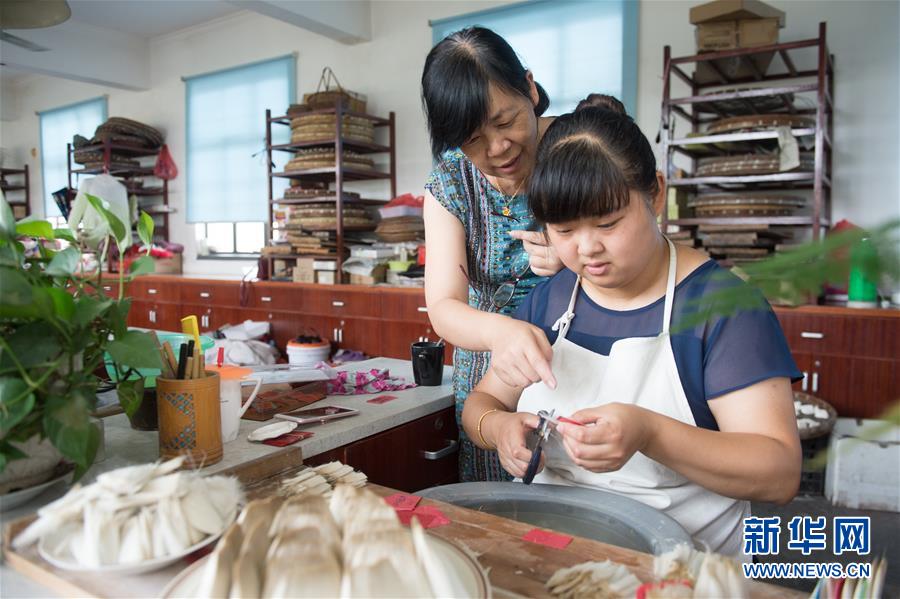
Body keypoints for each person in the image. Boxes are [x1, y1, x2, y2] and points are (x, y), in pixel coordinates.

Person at [461, 94, 802, 557]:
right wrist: (498, 428)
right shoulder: (551, 300)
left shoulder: (723, 309)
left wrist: (649, 434)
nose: (586, 249)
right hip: (556, 555)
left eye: (608, 223)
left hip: (684, 570)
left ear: (655, 194)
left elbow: (778, 472)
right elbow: (481, 403)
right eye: (563, 231)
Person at [422, 27, 564, 482]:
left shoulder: (576, 151)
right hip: (490, 380)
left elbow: (630, 244)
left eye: (505, 123)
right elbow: (444, 306)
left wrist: (572, 260)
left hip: (578, 363)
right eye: (472, 137)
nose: (497, 148)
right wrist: (504, 335)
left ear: (530, 87)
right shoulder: (450, 184)